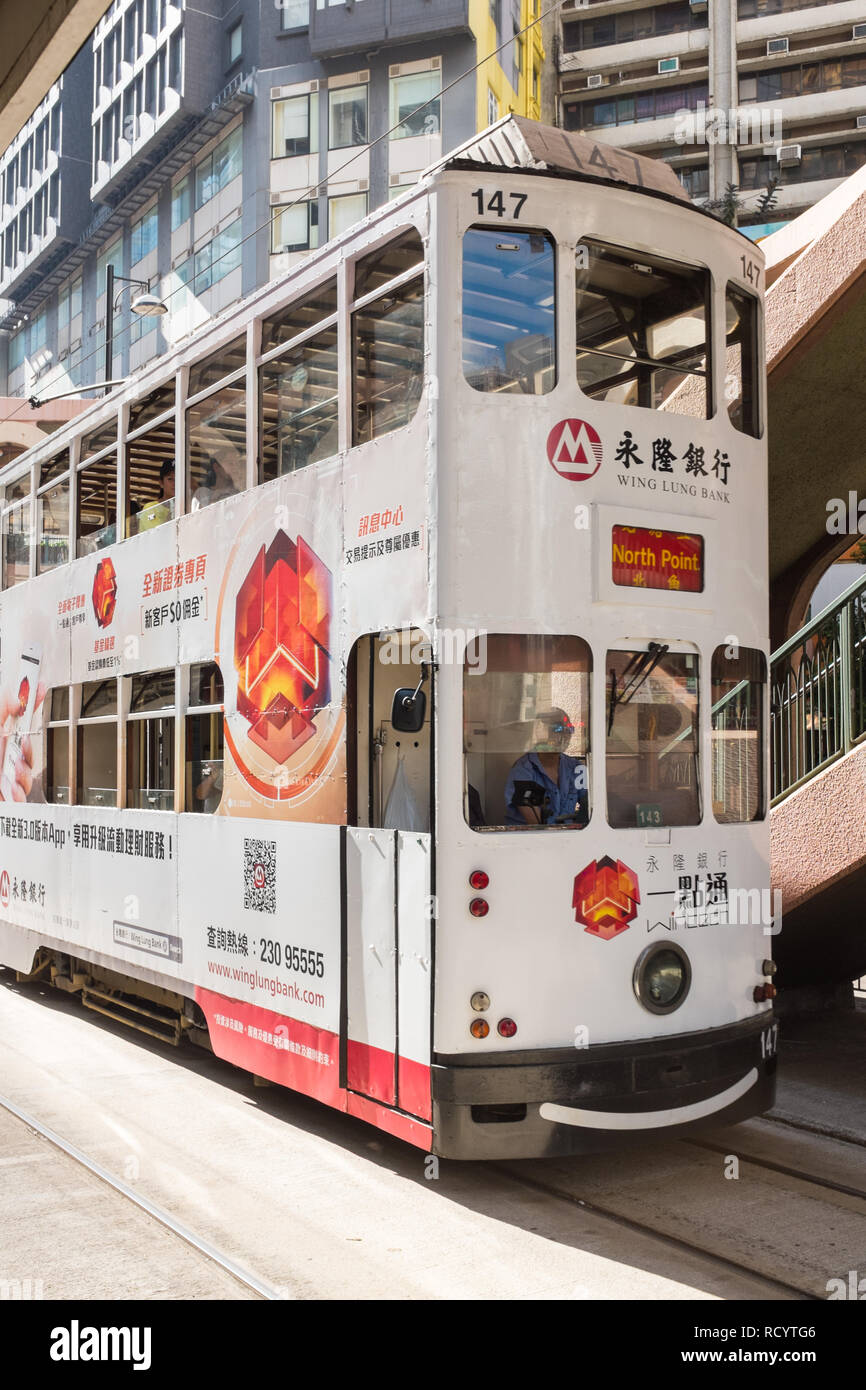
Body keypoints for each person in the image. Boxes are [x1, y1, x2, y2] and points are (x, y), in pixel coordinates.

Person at [504, 707, 588, 828]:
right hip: (530, 840)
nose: (564, 736)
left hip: (568, 838)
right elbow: (537, 824)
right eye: (557, 729)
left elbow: (592, 805)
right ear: (539, 731)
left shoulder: (575, 767)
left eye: (569, 729)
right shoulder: (524, 770)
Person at [136, 461, 175, 532]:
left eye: (178, 478)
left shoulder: (187, 505)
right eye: (170, 479)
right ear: (161, 483)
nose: (175, 483)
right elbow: (158, 534)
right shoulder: (150, 508)